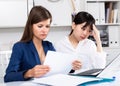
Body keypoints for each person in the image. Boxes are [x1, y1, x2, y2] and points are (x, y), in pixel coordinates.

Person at [4, 6, 81, 82]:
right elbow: (8, 76)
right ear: (31, 26)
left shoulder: (49, 45)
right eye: (40, 26)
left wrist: (71, 67)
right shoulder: (20, 47)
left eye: (47, 26)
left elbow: (56, 70)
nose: (44, 30)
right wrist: (29, 73)